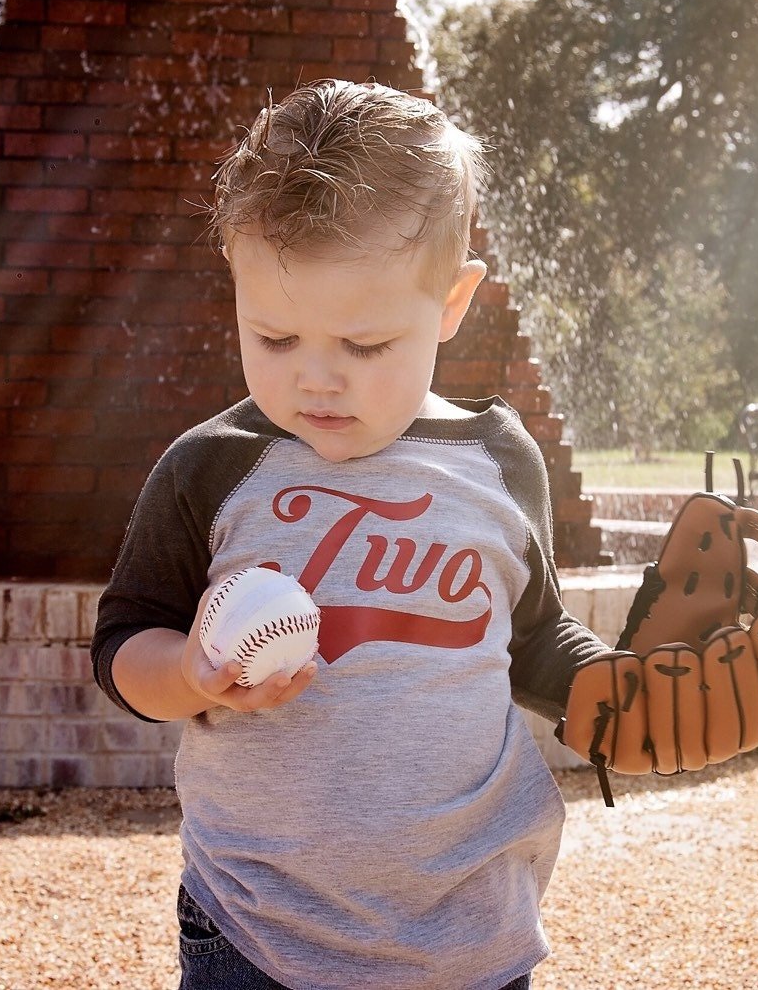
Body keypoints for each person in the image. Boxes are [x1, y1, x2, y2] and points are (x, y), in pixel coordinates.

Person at [91, 78, 612, 990]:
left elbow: (530, 641)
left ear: (450, 305)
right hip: (257, 933)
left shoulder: (498, 459)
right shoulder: (211, 468)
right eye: (274, 336)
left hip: (472, 935)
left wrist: (621, 697)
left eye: (365, 346)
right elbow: (122, 645)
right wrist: (187, 675)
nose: (316, 381)